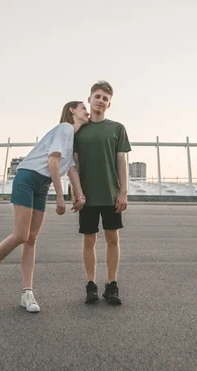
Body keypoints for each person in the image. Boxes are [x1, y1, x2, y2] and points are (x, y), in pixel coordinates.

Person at [0, 101, 89, 312]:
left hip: (42, 183)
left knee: (32, 238)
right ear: (72, 110)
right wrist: (61, 198)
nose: (86, 111)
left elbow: (71, 168)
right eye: (83, 107)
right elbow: (53, 162)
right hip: (28, 177)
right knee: (21, 235)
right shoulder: (64, 128)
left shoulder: (71, 139)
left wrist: (80, 194)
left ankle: (27, 293)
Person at [72, 81, 131, 305]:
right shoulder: (79, 130)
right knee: (89, 240)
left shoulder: (117, 128)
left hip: (110, 194)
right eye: (97, 96)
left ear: (109, 104)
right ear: (89, 100)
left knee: (112, 239)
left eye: (105, 99)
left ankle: (112, 284)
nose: (100, 101)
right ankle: (91, 285)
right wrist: (75, 193)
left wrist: (123, 192)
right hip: (86, 195)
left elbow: (121, 161)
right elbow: (73, 165)